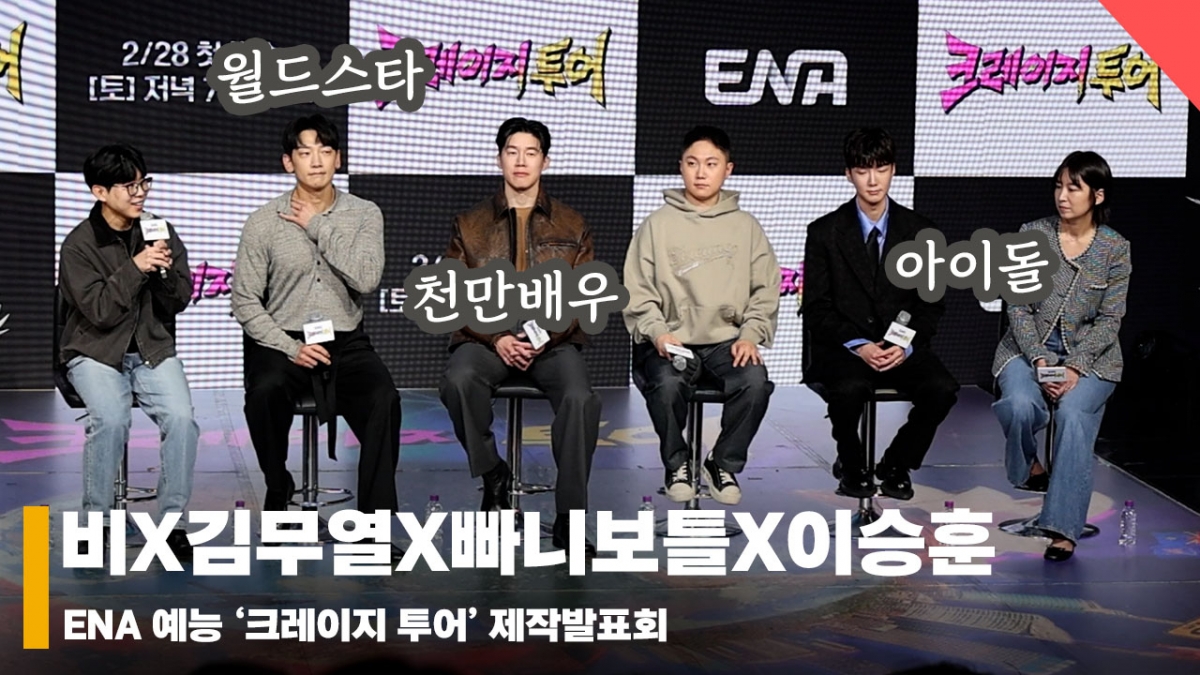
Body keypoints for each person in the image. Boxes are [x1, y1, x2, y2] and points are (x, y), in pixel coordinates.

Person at [437, 117, 601, 554]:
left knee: (580, 399)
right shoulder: (470, 223)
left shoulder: (572, 223)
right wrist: (496, 337)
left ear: (545, 161)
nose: (521, 161)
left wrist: (545, 335)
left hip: (554, 341)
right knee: (458, 380)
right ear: (499, 159)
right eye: (512, 152)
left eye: (531, 153)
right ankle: (494, 473)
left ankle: (570, 517)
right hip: (487, 339)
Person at [231, 114, 401, 517]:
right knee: (264, 393)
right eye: (305, 153)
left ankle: (374, 522)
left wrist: (318, 226)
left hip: (345, 340)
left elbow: (367, 278)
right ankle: (278, 485)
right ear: (288, 162)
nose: (317, 161)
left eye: (325, 151)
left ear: (338, 159)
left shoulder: (364, 214)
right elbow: (244, 301)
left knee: (384, 399)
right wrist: (291, 347)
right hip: (282, 339)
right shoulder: (263, 221)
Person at [623, 125, 779, 504]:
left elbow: (765, 289)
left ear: (728, 169)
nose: (701, 172)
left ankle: (721, 463)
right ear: (681, 167)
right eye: (692, 163)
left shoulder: (746, 227)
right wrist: (658, 332)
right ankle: (677, 462)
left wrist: (750, 335)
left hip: (727, 342)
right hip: (670, 340)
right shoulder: (657, 225)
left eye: (711, 163)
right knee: (667, 385)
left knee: (755, 382)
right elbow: (637, 291)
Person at [802, 128, 959, 501]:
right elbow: (817, 308)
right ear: (848, 174)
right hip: (845, 348)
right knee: (848, 389)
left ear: (893, 170)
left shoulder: (922, 231)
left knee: (942, 389)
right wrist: (860, 345)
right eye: (862, 170)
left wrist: (901, 345)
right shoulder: (824, 232)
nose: (872, 180)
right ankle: (852, 465)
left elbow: (930, 304)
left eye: (881, 168)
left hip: (900, 346)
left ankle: (896, 464)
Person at [58, 143, 198, 559]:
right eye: (129, 186)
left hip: (152, 349)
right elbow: (100, 312)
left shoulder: (159, 229)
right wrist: (135, 267)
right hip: (95, 351)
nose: (140, 194)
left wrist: (164, 273)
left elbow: (180, 299)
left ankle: (172, 524)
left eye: (143, 183)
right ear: (100, 192)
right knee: (111, 420)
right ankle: (95, 524)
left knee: (182, 419)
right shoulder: (79, 245)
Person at [992, 151, 1130, 562]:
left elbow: (1111, 319)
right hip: (1027, 350)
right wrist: (1039, 359)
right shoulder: (1030, 234)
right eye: (1058, 186)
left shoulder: (1115, 248)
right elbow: (1017, 308)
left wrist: (1073, 367)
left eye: (1074, 188)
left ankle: (1062, 529)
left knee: (1072, 415)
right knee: (1019, 404)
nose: (1063, 196)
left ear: (1097, 196)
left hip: (1093, 358)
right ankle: (1028, 470)